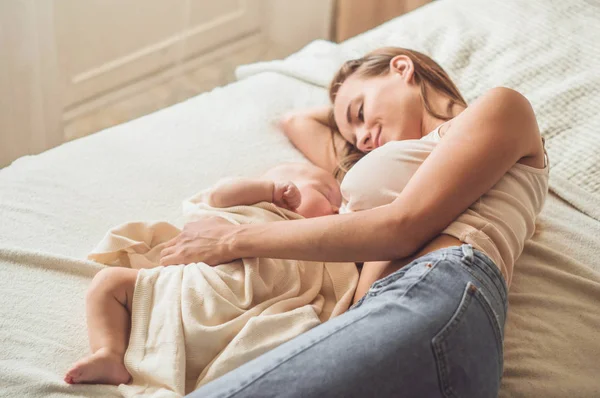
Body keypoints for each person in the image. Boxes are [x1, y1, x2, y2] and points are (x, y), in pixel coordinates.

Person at [163, 47, 549, 398]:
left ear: (402, 68)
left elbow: (402, 228)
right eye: (354, 136)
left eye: (360, 112)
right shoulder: (391, 161)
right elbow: (295, 121)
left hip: (436, 292)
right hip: (384, 315)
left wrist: (231, 240)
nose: (364, 138)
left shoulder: (501, 108)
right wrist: (352, 109)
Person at [63, 162, 344, 386]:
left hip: (248, 312)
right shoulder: (255, 207)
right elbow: (220, 194)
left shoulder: (315, 250)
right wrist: (268, 189)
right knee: (108, 282)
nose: (336, 208)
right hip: (192, 284)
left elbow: (337, 291)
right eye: (326, 193)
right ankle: (109, 353)